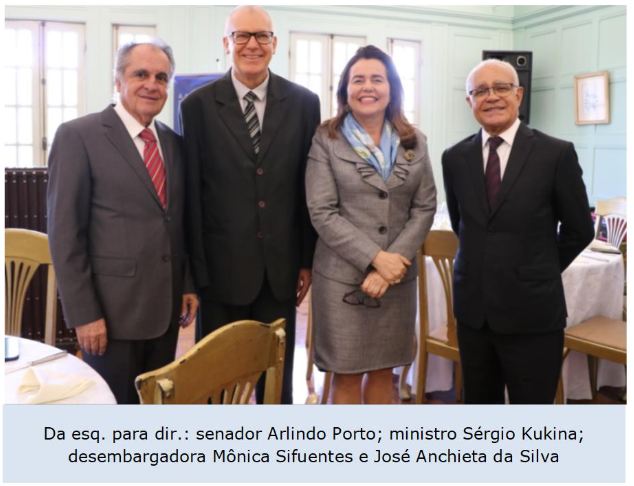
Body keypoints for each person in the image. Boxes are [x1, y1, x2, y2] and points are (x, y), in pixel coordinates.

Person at [180, 5, 320, 404]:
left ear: (275, 44)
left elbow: (307, 186)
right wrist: (193, 274)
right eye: (242, 35)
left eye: (262, 35)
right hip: (219, 270)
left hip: (281, 268)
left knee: (276, 379)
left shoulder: (304, 103)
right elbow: (192, 196)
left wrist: (307, 259)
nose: (252, 44)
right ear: (227, 43)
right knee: (219, 382)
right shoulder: (198, 106)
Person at [47, 39, 199, 404]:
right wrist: (84, 314)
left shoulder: (173, 143)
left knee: (152, 408)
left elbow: (175, 223)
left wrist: (187, 283)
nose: (152, 84)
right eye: (140, 74)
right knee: (111, 411)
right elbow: (65, 234)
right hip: (110, 316)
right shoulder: (78, 136)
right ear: (118, 80)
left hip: (164, 312)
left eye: (161, 77)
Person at [442, 59, 595, 404]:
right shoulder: (454, 157)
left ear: (519, 94)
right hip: (473, 313)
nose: (491, 97)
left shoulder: (555, 153)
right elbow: (461, 223)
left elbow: (579, 228)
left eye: (501, 88)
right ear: (470, 102)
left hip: (533, 313)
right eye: (480, 91)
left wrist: (537, 270)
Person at [306, 45, 437, 404]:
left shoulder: (415, 141)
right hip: (342, 279)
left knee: (385, 373)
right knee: (345, 375)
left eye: (377, 79)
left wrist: (390, 265)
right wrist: (375, 259)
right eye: (358, 79)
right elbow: (322, 211)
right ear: (345, 91)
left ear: (392, 89)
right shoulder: (326, 138)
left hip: (398, 278)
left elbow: (425, 206)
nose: (368, 87)